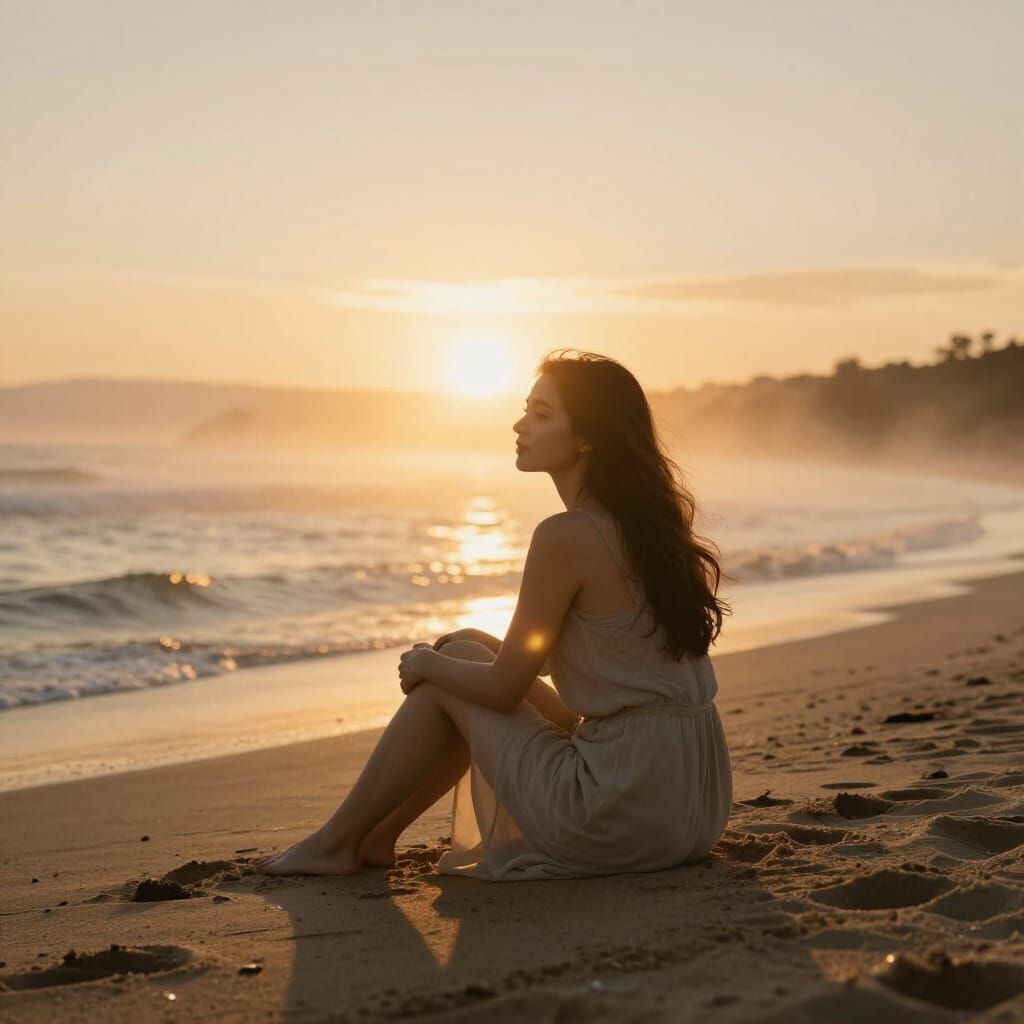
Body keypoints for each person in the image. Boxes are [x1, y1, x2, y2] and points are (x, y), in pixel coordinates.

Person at [256, 349, 733, 880]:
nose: (519, 424)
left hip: (617, 813)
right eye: (526, 409)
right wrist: (468, 649)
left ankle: (336, 842)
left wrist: (425, 666)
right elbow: (586, 662)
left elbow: (504, 689)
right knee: (465, 650)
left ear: (588, 438)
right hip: (690, 806)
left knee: (445, 678)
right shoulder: (651, 531)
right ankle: (376, 838)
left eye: (542, 414)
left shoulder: (567, 535)